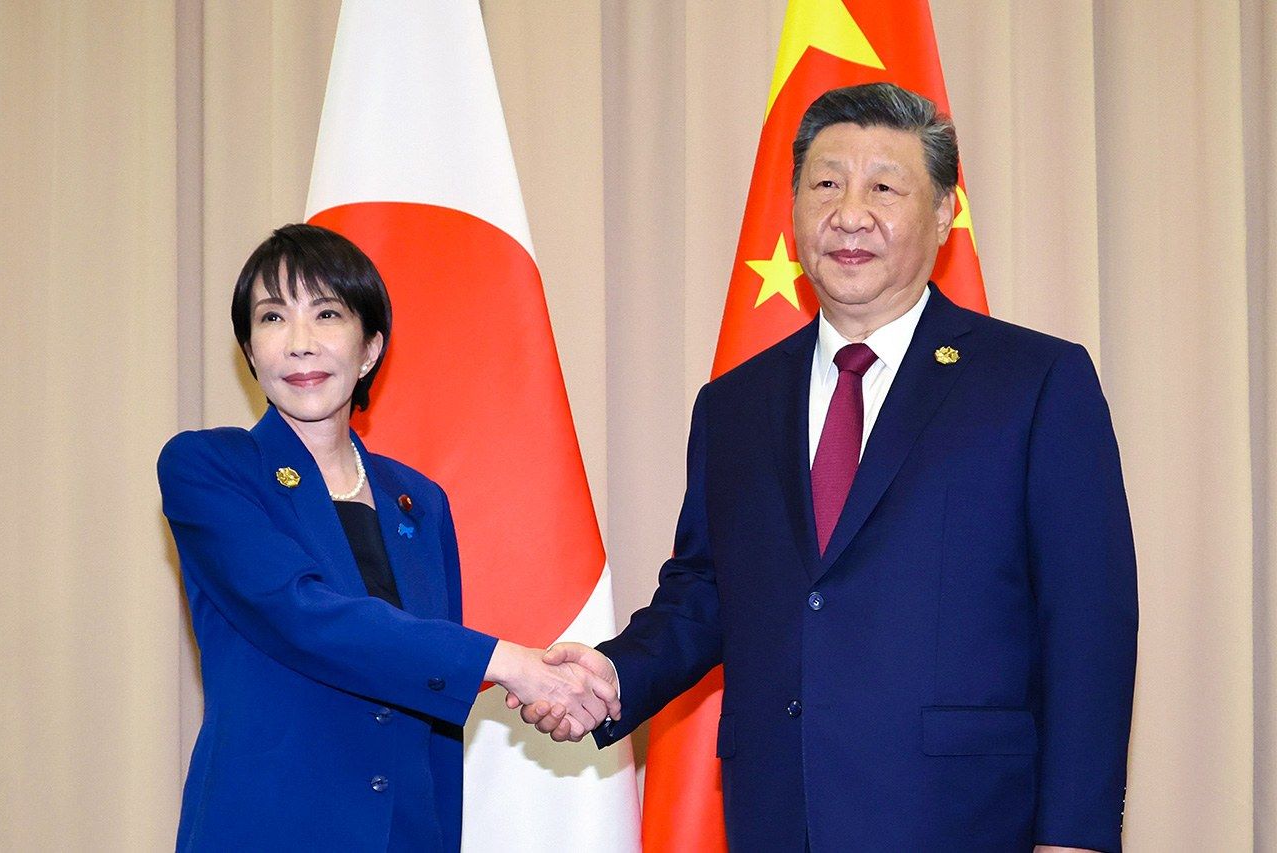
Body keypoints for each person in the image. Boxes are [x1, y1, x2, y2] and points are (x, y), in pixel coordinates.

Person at [522, 83, 1138, 852]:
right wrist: (613, 676)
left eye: (884, 186)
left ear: (945, 213)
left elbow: (1089, 623)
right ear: (794, 209)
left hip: (965, 818)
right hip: (780, 813)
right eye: (826, 183)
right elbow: (706, 589)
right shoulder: (734, 403)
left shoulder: (1035, 381)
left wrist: (1074, 835)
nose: (850, 213)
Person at [157, 224, 619, 852]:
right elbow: (303, 614)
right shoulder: (207, 467)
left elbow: (431, 714)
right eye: (272, 317)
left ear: (370, 348)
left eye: (326, 313)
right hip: (266, 829)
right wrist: (508, 663)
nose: (299, 343)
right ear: (249, 347)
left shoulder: (420, 502)